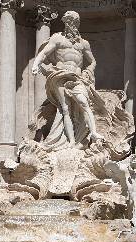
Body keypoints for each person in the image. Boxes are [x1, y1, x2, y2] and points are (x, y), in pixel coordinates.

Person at [31, 11, 105, 150]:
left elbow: (92, 61)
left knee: (84, 103)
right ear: (65, 23)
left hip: (77, 78)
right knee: (65, 108)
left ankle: (93, 133)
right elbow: (45, 53)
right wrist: (36, 64)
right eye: (69, 21)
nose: (72, 24)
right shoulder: (57, 38)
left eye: (74, 22)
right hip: (60, 75)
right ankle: (71, 142)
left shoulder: (83, 44)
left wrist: (88, 72)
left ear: (78, 24)